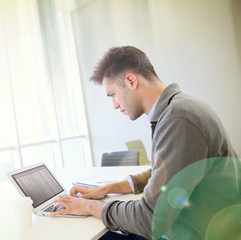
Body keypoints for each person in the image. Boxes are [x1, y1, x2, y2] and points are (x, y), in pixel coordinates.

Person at [50, 46, 240, 239]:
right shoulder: (177, 110)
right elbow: (166, 171)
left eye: (112, 94)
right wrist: (108, 189)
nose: (114, 104)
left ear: (131, 81)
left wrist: (90, 206)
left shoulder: (179, 118)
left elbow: (151, 219)